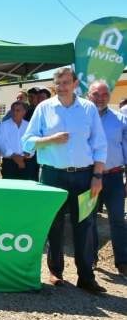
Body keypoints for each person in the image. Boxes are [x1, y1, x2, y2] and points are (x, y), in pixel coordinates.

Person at [22, 67, 107, 294]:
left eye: (66, 82)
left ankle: (86, 277)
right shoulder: (44, 108)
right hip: (52, 175)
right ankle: (56, 271)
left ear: (75, 84)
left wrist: (97, 176)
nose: (62, 87)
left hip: (84, 175)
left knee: (85, 226)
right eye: (58, 83)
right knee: (54, 224)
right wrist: (50, 139)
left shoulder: (88, 109)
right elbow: (27, 142)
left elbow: (99, 145)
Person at [87, 81, 127, 276]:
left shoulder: (121, 120)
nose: (100, 98)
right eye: (96, 94)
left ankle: (123, 261)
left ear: (109, 96)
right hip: (88, 177)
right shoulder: (83, 120)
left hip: (114, 177)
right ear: (88, 95)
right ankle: (90, 258)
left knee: (118, 219)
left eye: (104, 94)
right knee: (89, 219)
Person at [0, 101, 31, 180]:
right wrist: (15, 156)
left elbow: (31, 141)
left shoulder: (28, 125)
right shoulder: (4, 125)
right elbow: (2, 142)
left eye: (18, 110)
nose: (15, 113)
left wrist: (27, 154)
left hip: (26, 162)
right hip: (10, 162)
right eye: (13, 110)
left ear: (24, 112)